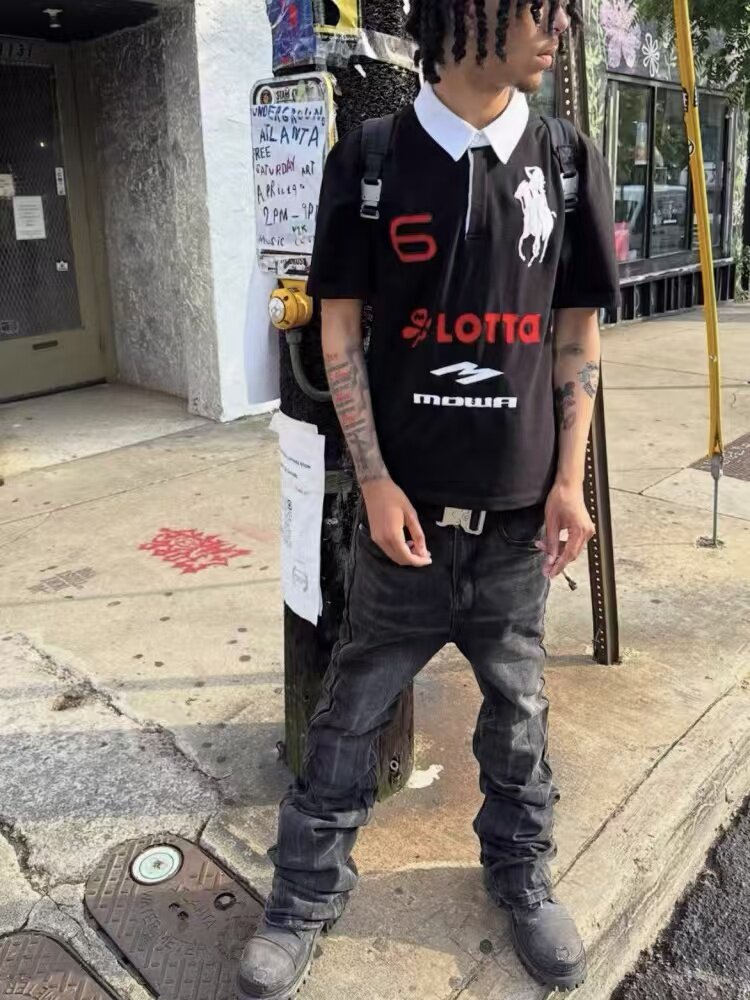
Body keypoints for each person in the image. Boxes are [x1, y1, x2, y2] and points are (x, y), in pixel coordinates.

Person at [238, 0, 619, 996]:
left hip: (516, 528)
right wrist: (372, 481)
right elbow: (337, 331)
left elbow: (576, 339)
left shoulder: (565, 161)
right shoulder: (369, 161)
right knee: (346, 718)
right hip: (400, 530)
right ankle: (303, 896)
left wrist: (569, 483)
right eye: (538, 7)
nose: (559, 27)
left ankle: (521, 875)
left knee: (520, 719)